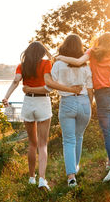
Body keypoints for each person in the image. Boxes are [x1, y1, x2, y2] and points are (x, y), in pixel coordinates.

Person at [56, 12, 110, 182]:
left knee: (108, 133)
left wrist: (61, 57)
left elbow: (77, 62)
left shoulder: (92, 52)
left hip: (103, 97)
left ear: (99, 42)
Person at [3, 41, 81, 191]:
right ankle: (42, 179)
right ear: (41, 52)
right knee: (43, 144)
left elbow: (15, 81)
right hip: (42, 103)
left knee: (32, 143)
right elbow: (49, 84)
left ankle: (31, 178)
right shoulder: (46, 64)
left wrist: (6, 96)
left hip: (28, 103)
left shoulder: (22, 65)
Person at [24, 34, 93, 187]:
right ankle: (75, 167)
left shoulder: (58, 65)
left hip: (67, 102)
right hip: (84, 103)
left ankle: (71, 177)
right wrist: (90, 105)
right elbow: (90, 88)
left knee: (68, 140)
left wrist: (29, 89)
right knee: (79, 137)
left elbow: (49, 86)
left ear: (64, 46)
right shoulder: (85, 65)